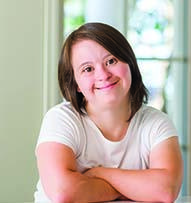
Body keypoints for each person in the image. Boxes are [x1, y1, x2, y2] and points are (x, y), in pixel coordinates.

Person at [34, 22, 183, 203]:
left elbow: (165, 191)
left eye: (111, 61)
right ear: (75, 84)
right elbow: (64, 193)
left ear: (129, 63)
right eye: (88, 69)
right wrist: (133, 189)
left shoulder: (157, 123)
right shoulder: (61, 119)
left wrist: (99, 174)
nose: (103, 75)